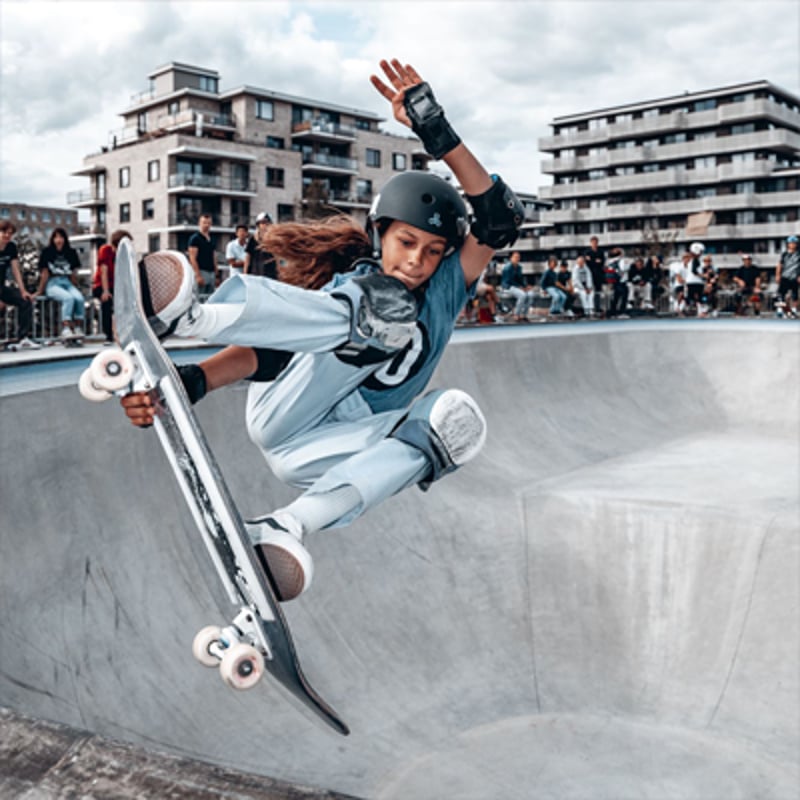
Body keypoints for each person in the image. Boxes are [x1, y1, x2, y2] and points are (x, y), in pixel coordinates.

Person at [118, 58, 524, 603]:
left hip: (324, 451)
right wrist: (190, 380)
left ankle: (289, 526)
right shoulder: (356, 285)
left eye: (432, 253)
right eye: (406, 243)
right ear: (379, 235)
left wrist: (436, 132)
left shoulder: (448, 290)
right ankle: (192, 318)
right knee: (381, 311)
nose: (417, 263)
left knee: (449, 424)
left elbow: (499, 218)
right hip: (286, 409)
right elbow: (270, 355)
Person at [35, 227, 85, 338]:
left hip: (66, 281)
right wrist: (40, 290)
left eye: (61, 237)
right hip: (53, 282)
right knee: (68, 298)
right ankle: (66, 327)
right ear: (52, 239)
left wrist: (76, 287)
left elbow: (73, 273)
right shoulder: (47, 252)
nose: (59, 240)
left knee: (79, 298)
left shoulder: (70, 252)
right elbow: (44, 273)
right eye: (56, 237)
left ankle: (77, 327)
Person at [0, 221, 40, 349]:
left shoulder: (11, 247)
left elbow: (16, 270)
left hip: (1, 287)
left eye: (10, 233)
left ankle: (23, 338)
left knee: (25, 301)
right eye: (4, 232)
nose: (7, 236)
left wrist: (23, 291)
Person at [92, 229, 131, 343]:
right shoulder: (105, 250)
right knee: (107, 302)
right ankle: (108, 336)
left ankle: (125, 334)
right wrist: (105, 291)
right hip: (102, 285)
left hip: (116, 285)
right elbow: (104, 271)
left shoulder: (125, 255)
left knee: (126, 305)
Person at [187, 213, 220, 296]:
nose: (207, 225)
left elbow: (214, 256)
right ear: (199, 223)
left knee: (210, 299)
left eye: (209, 223)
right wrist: (198, 275)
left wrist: (217, 275)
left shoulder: (212, 239)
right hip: (201, 272)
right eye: (204, 222)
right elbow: (192, 258)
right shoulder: (195, 238)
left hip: (211, 273)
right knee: (199, 298)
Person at [500, 250, 532, 322]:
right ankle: (516, 314)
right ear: (511, 258)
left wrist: (525, 286)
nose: (517, 259)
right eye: (515, 257)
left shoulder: (519, 267)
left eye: (518, 257)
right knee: (522, 295)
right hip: (508, 287)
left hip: (517, 286)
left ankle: (524, 314)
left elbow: (520, 279)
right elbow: (509, 281)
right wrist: (520, 287)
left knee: (530, 294)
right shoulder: (507, 268)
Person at [246, 212, 278, 278]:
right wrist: (245, 272)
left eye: (267, 223)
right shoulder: (253, 239)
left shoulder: (275, 239)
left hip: (271, 273)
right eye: (262, 223)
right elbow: (248, 257)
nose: (265, 225)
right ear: (258, 225)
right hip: (256, 272)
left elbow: (280, 256)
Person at [775, 235, 799, 318]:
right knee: (781, 294)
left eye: (794, 243)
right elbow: (780, 265)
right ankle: (780, 310)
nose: (792, 245)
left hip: (795, 277)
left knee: (795, 295)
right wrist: (777, 275)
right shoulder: (784, 254)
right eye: (790, 243)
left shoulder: (799, 254)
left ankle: (794, 310)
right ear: (788, 244)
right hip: (785, 276)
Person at [604, 248, 628, 318]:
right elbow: (624, 268)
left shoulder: (609, 261)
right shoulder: (621, 260)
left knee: (615, 297)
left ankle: (612, 312)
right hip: (621, 281)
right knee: (623, 296)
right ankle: (621, 312)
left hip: (614, 281)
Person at [584, 236, 605, 316]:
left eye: (595, 243)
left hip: (599, 274)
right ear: (591, 243)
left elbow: (602, 262)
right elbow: (587, 261)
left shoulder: (600, 252)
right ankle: (590, 308)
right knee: (590, 290)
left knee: (598, 291)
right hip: (590, 273)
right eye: (593, 242)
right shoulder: (587, 252)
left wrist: (592, 260)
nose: (594, 244)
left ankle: (597, 307)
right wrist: (595, 260)